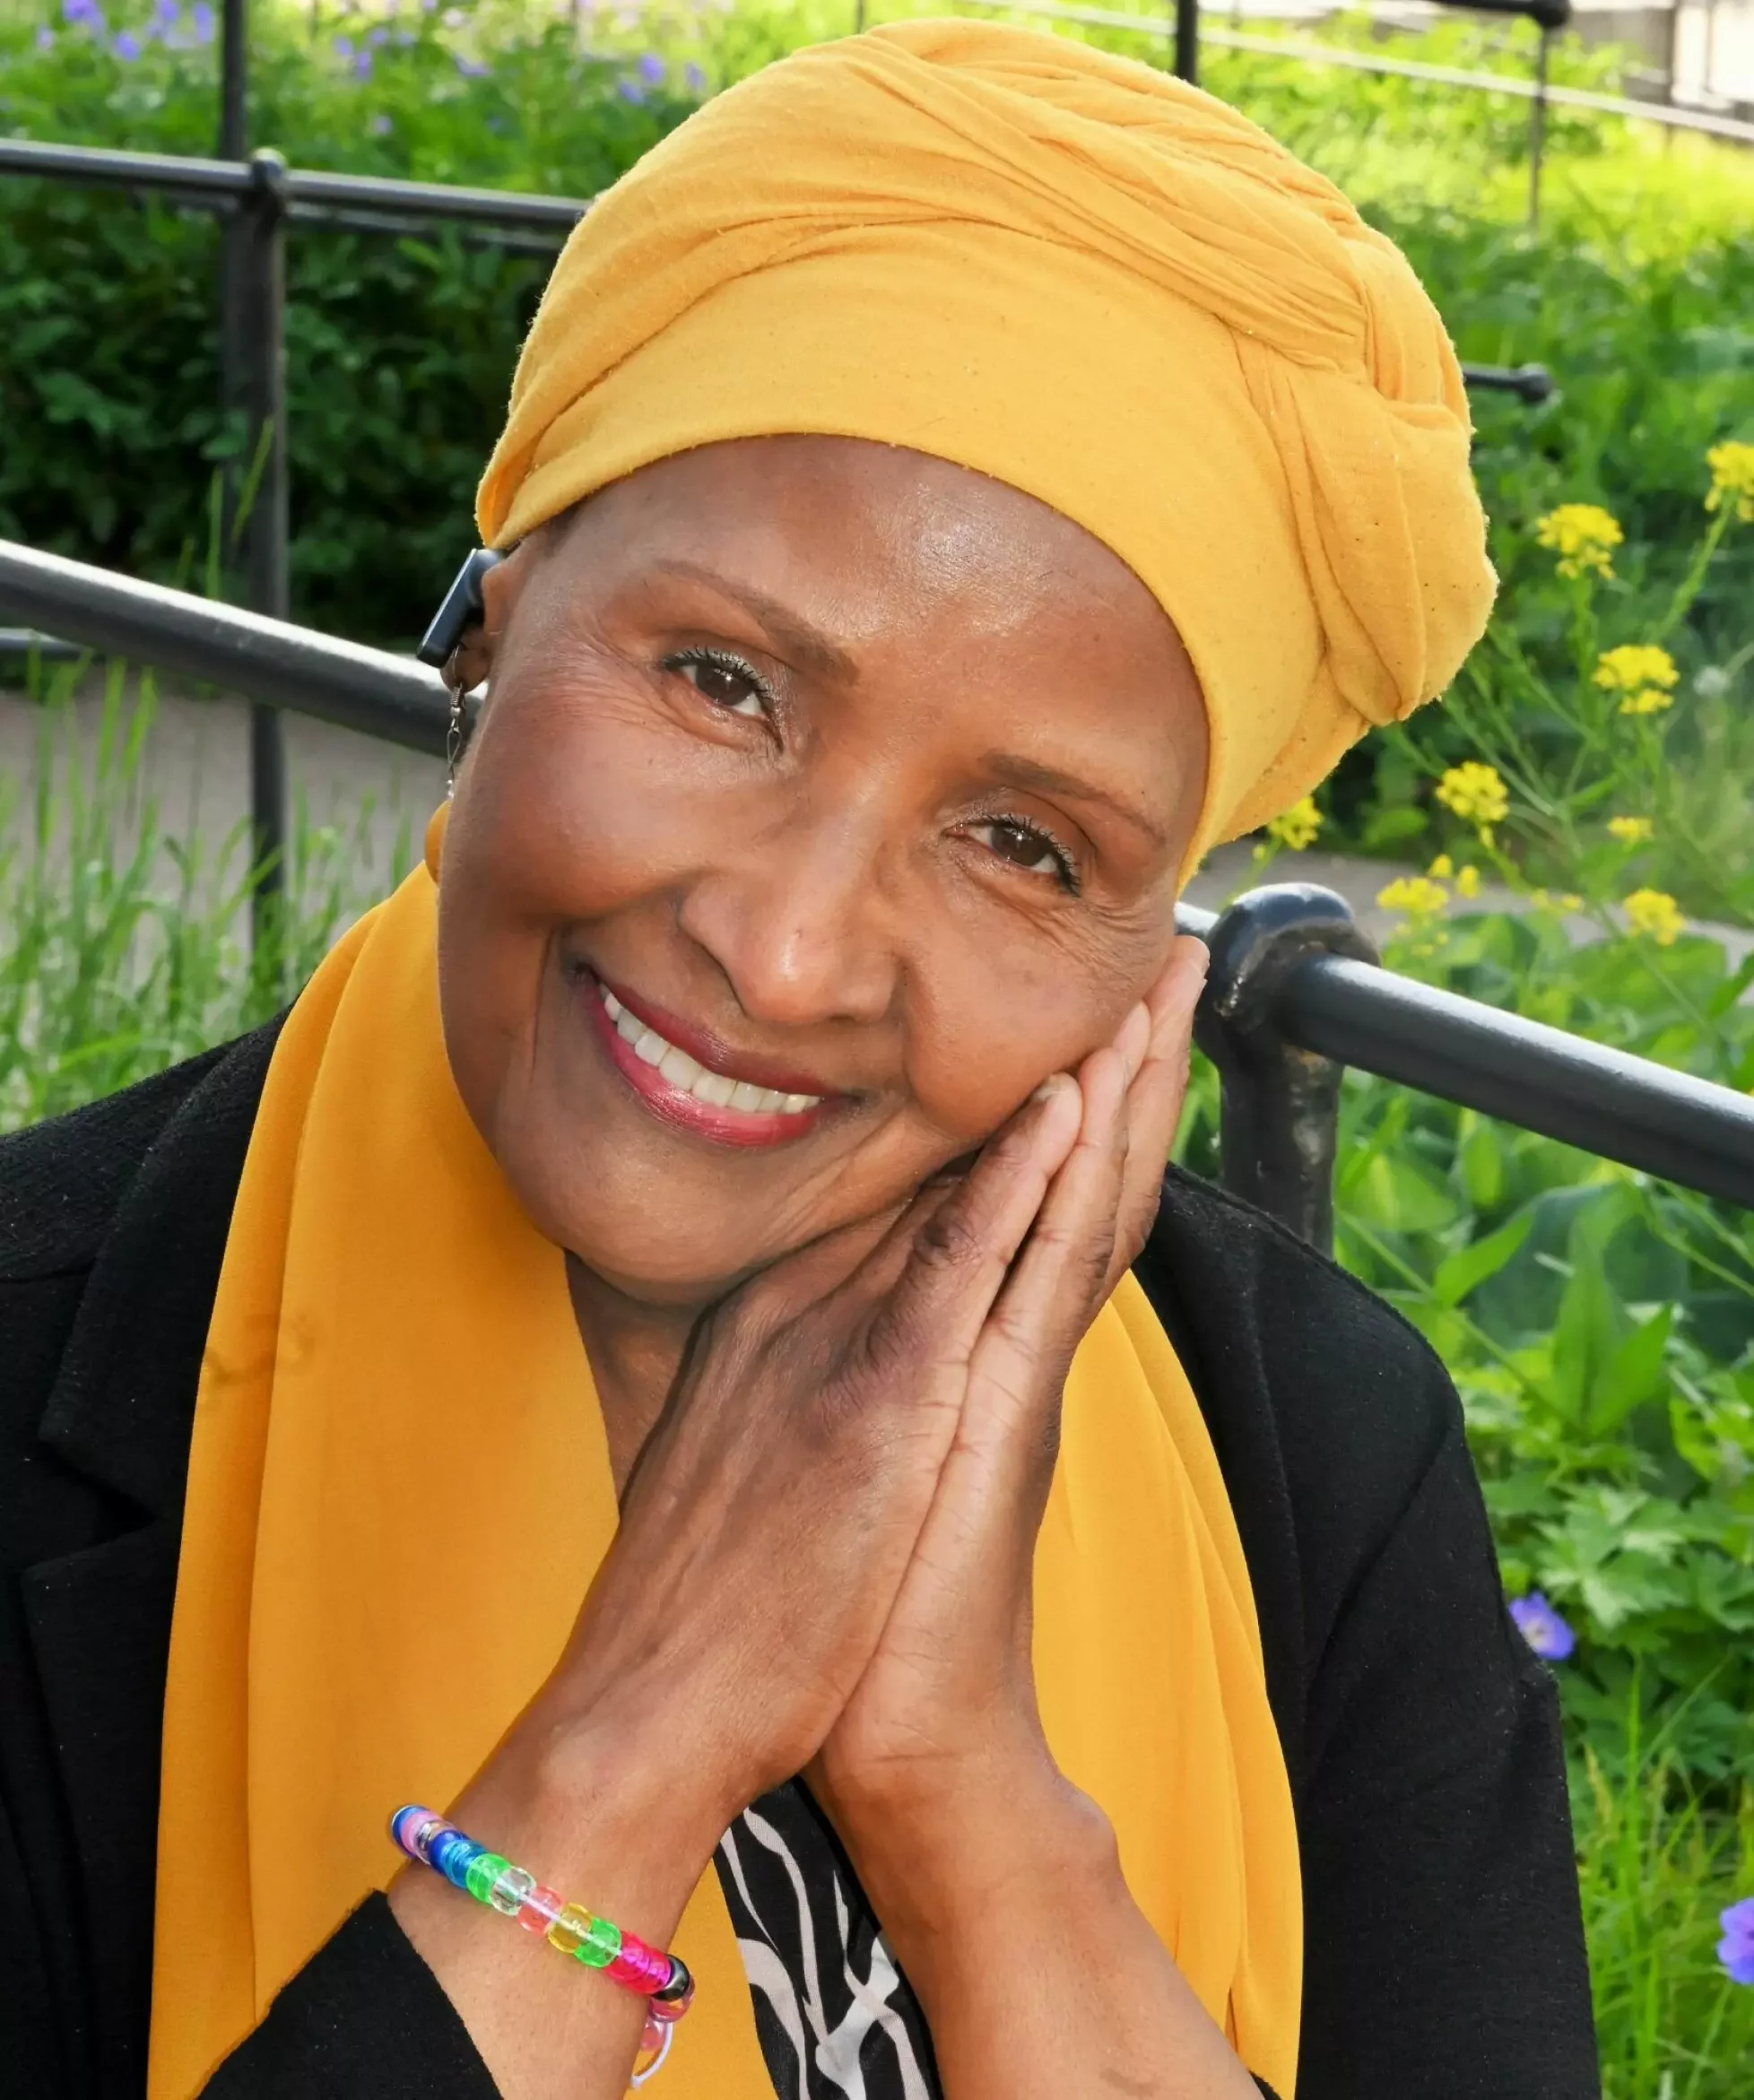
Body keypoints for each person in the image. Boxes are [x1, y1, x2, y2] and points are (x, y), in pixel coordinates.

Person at [0, 20, 1598, 2100]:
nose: (783, 944)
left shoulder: (1314, 1448)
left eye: (1027, 845)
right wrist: (635, 1740)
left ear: (1148, 964)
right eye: (725, 683)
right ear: (495, 601)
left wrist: (971, 1799)